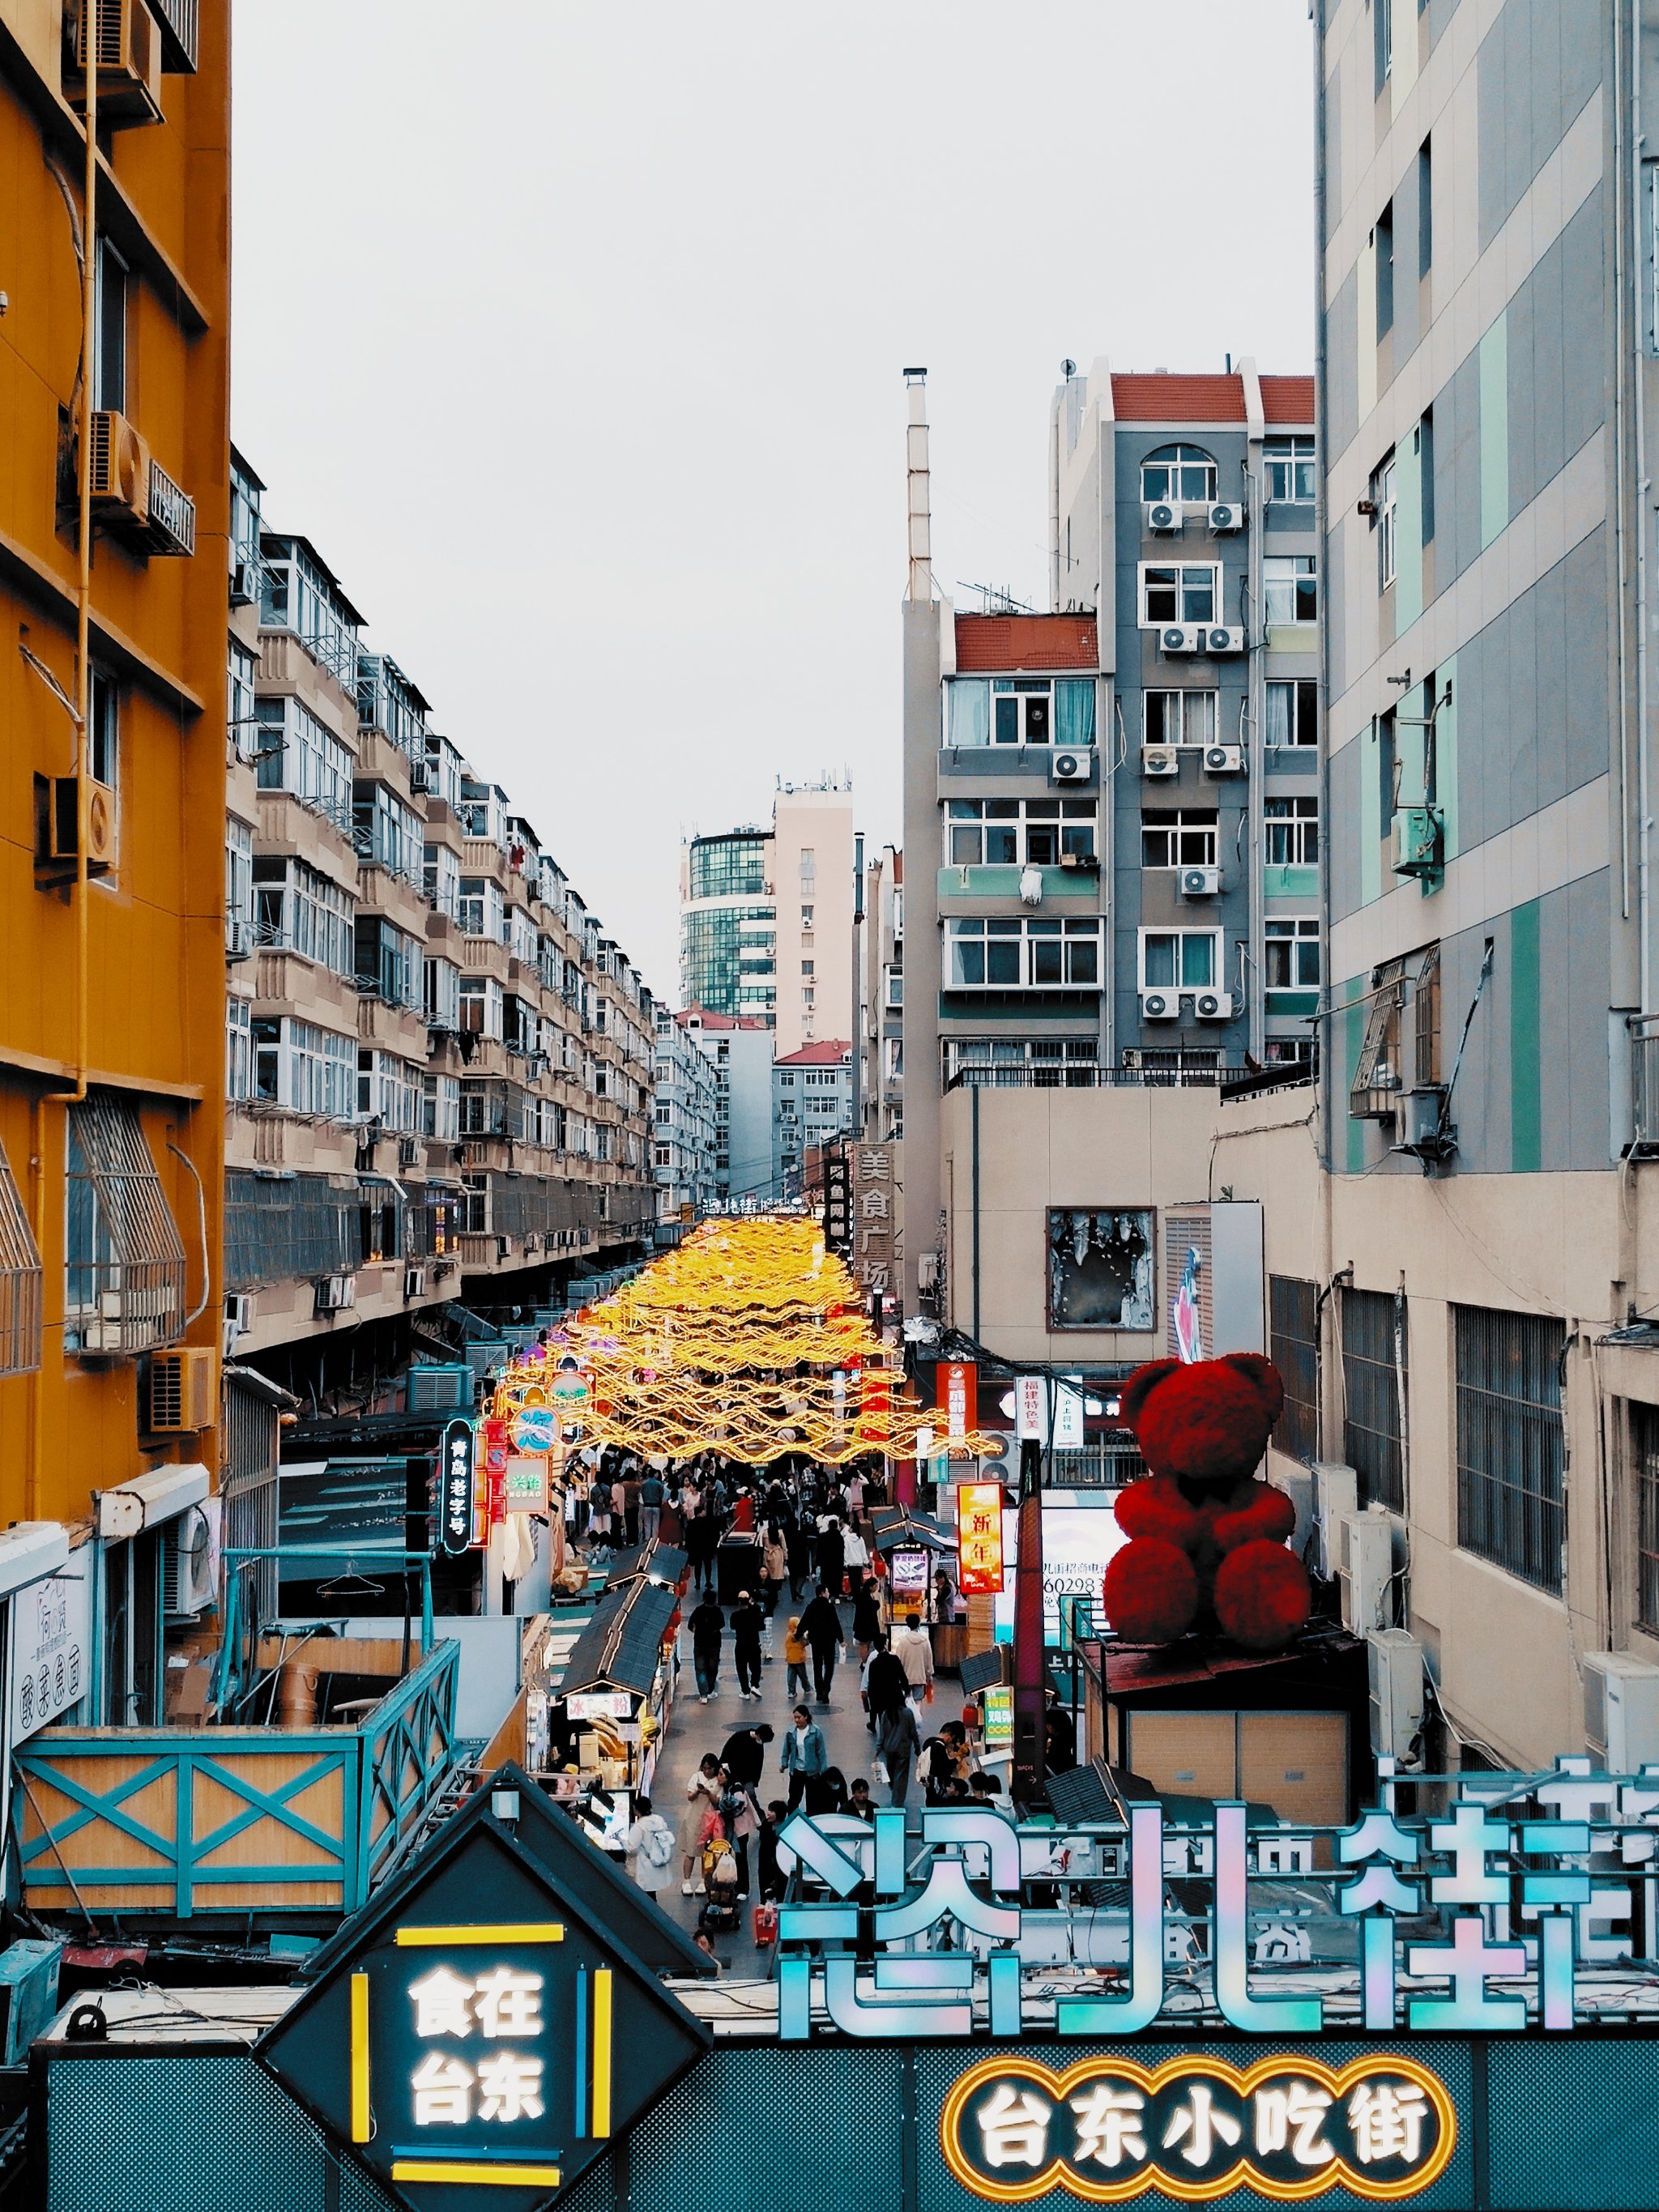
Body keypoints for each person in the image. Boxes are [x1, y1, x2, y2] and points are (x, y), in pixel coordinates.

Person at [679, 1754, 723, 1894]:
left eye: (709, 1768)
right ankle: (686, 1881)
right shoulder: (696, 1777)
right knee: (691, 1851)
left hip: (710, 1820)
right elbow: (690, 1797)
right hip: (694, 1817)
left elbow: (717, 1802)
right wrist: (698, 1791)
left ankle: (704, 1881)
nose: (706, 1771)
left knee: (706, 1852)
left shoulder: (719, 1780)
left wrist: (708, 1793)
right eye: (704, 1768)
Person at [796, 1583, 845, 1706]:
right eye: (827, 1592)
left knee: (817, 1666)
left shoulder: (811, 1607)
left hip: (816, 1641)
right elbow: (836, 1624)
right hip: (829, 1641)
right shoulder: (830, 1607)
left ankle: (819, 1691)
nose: (828, 1594)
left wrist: (797, 1635)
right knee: (829, 1666)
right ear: (823, 1593)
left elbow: (804, 1622)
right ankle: (826, 1690)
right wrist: (841, 1639)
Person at [622, 1793, 676, 1896]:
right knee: (652, 1895)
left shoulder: (639, 1827)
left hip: (644, 1868)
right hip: (657, 1865)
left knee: (645, 1896)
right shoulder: (658, 1820)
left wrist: (621, 1841)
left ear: (637, 1810)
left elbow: (632, 1849)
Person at [876, 1697, 923, 1808]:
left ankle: (894, 1790)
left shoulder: (886, 1714)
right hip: (903, 1748)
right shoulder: (907, 1713)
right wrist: (917, 1747)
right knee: (901, 1774)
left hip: (889, 1748)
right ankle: (898, 1800)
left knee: (891, 1772)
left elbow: (882, 1734)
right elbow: (913, 1732)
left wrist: (878, 1749)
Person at [779, 1703, 827, 1811]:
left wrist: (824, 1770)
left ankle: (812, 1819)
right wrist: (784, 1763)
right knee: (794, 1798)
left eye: (799, 1717)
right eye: (795, 1718)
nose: (796, 1720)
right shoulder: (791, 1732)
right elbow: (786, 1749)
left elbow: (821, 1752)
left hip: (812, 1771)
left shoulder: (815, 1731)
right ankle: (792, 1818)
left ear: (805, 1717)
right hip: (797, 1770)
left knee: (812, 1799)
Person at [864, 1635, 908, 1737]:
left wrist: (872, 1700)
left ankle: (885, 1738)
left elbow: (872, 1683)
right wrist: (906, 1690)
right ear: (885, 1645)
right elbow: (902, 1676)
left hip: (880, 1698)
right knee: (897, 1718)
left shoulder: (874, 1664)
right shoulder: (894, 1659)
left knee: (883, 1719)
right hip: (895, 1695)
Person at [688, 1591, 725, 1702]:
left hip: (699, 1644)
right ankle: (710, 1690)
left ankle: (703, 1693)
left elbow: (690, 1625)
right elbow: (722, 1624)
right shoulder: (718, 1611)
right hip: (714, 1644)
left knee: (700, 1669)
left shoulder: (698, 1611)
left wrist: (698, 1632)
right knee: (712, 1668)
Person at [891, 1610, 935, 1704]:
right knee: (918, 1703)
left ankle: (908, 1718)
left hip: (906, 1679)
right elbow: (929, 1660)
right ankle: (917, 1718)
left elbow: (898, 1662)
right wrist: (929, 1676)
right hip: (920, 1678)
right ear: (919, 1624)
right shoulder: (925, 1641)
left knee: (906, 1702)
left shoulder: (903, 1642)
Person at [730, 1590, 766, 1699]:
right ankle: (755, 1684)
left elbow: (732, 1626)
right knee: (756, 1666)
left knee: (741, 1668)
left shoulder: (735, 1616)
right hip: (754, 1643)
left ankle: (745, 1691)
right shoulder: (755, 1613)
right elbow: (762, 1627)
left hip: (741, 1644)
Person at [756, 1797, 790, 1901]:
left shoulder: (786, 1829)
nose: (768, 1813)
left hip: (779, 1863)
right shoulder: (765, 1825)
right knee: (764, 1884)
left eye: (771, 1811)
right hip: (765, 1861)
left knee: (781, 1888)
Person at [851, 1576, 882, 1662]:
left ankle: (865, 1661)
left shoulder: (861, 1596)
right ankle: (864, 1662)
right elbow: (872, 1607)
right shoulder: (866, 1597)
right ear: (870, 1587)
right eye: (875, 1586)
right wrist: (877, 1603)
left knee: (865, 1644)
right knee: (864, 1644)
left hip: (862, 1624)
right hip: (866, 1625)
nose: (876, 1588)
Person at [814, 1515, 847, 1598]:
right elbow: (842, 1551)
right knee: (836, 1579)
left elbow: (819, 1550)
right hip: (837, 1563)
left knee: (826, 1579)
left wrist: (818, 1562)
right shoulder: (840, 1538)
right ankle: (836, 1596)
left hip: (826, 1563)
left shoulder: (823, 1537)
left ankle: (827, 1595)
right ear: (837, 1526)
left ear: (829, 1526)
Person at [760, 1524, 789, 1616]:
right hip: (777, 1555)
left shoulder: (764, 1533)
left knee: (769, 1575)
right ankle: (774, 1595)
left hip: (767, 1554)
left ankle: (770, 1594)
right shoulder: (780, 1533)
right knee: (777, 1576)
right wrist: (785, 1557)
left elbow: (761, 1544)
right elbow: (784, 1546)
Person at [783, 1611, 811, 1701]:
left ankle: (791, 1691)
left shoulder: (788, 1634)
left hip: (791, 1659)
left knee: (791, 1676)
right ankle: (807, 1688)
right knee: (803, 1676)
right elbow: (805, 1643)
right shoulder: (798, 1635)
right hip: (799, 1659)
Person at [639, 1468, 665, 1545]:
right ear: (654, 1474)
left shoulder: (644, 1483)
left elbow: (642, 1493)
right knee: (655, 1524)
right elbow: (661, 1494)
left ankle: (647, 1540)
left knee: (647, 1524)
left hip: (647, 1505)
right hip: (656, 1505)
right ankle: (654, 1540)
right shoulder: (659, 1484)